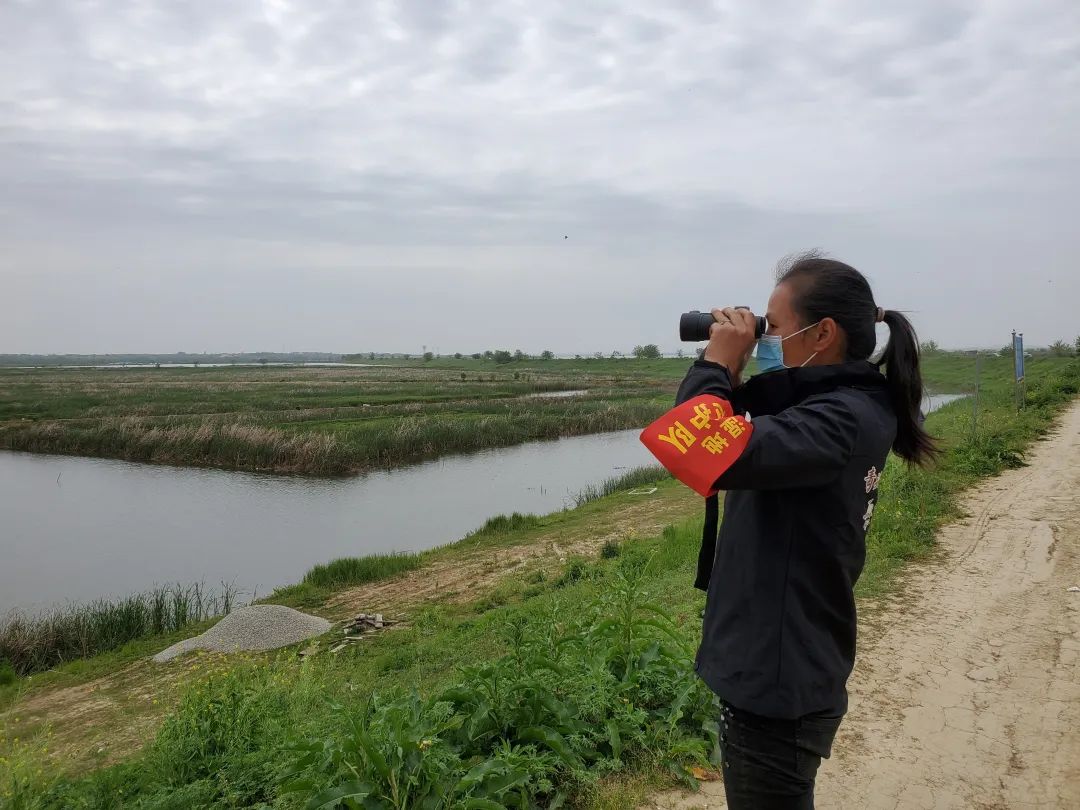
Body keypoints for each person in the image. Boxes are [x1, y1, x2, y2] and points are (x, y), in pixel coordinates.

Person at [644, 253, 937, 809]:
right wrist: (731, 379)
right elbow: (749, 423)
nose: (764, 338)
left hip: (778, 679)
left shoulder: (839, 419)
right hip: (784, 660)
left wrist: (714, 362)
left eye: (773, 327)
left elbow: (693, 445)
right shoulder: (842, 405)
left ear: (823, 333)